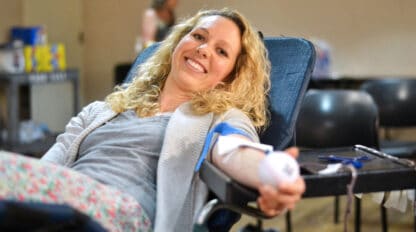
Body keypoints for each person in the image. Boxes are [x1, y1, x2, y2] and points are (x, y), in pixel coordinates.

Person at [0, 8, 305, 232]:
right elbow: (47, 169)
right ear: (176, 44)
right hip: (56, 202)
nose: (202, 49)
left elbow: (233, 149)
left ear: (230, 76)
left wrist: (268, 173)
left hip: (119, 214)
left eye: (221, 51)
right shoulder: (102, 109)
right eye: (198, 36)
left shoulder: (218, 117)